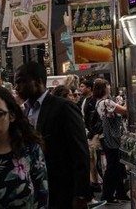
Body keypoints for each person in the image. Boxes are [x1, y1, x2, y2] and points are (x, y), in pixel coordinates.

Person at [14, 62, 92, 209]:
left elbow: (80, 151)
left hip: (63, 190)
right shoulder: (24, 112)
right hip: (37, 191)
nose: (17, 87)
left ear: (38, 81)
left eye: (21, 81)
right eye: (16, 82)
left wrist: (81, 194)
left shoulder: (63, 107)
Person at [93, 78, 130, 204]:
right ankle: (107, 195)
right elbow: (124, 110)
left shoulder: (99, 102)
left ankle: (120, 193)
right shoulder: (106, 102)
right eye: (107, 85)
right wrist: (130, 99)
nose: (109, 87)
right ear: (103, 88)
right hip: (111, 137)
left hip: (107, 137)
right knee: (112, 165)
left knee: (117, 165)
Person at [77, 79, 102, 193]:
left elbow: (94, 119)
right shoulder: (85, 100)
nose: (80, 88)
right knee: (91, 158)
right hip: (88, 133)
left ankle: (96, 182)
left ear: (89, 88)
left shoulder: (92, 101)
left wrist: (92, 132)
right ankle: (95, 181)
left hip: (93, 134)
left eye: (82, 86)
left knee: (94, 158)